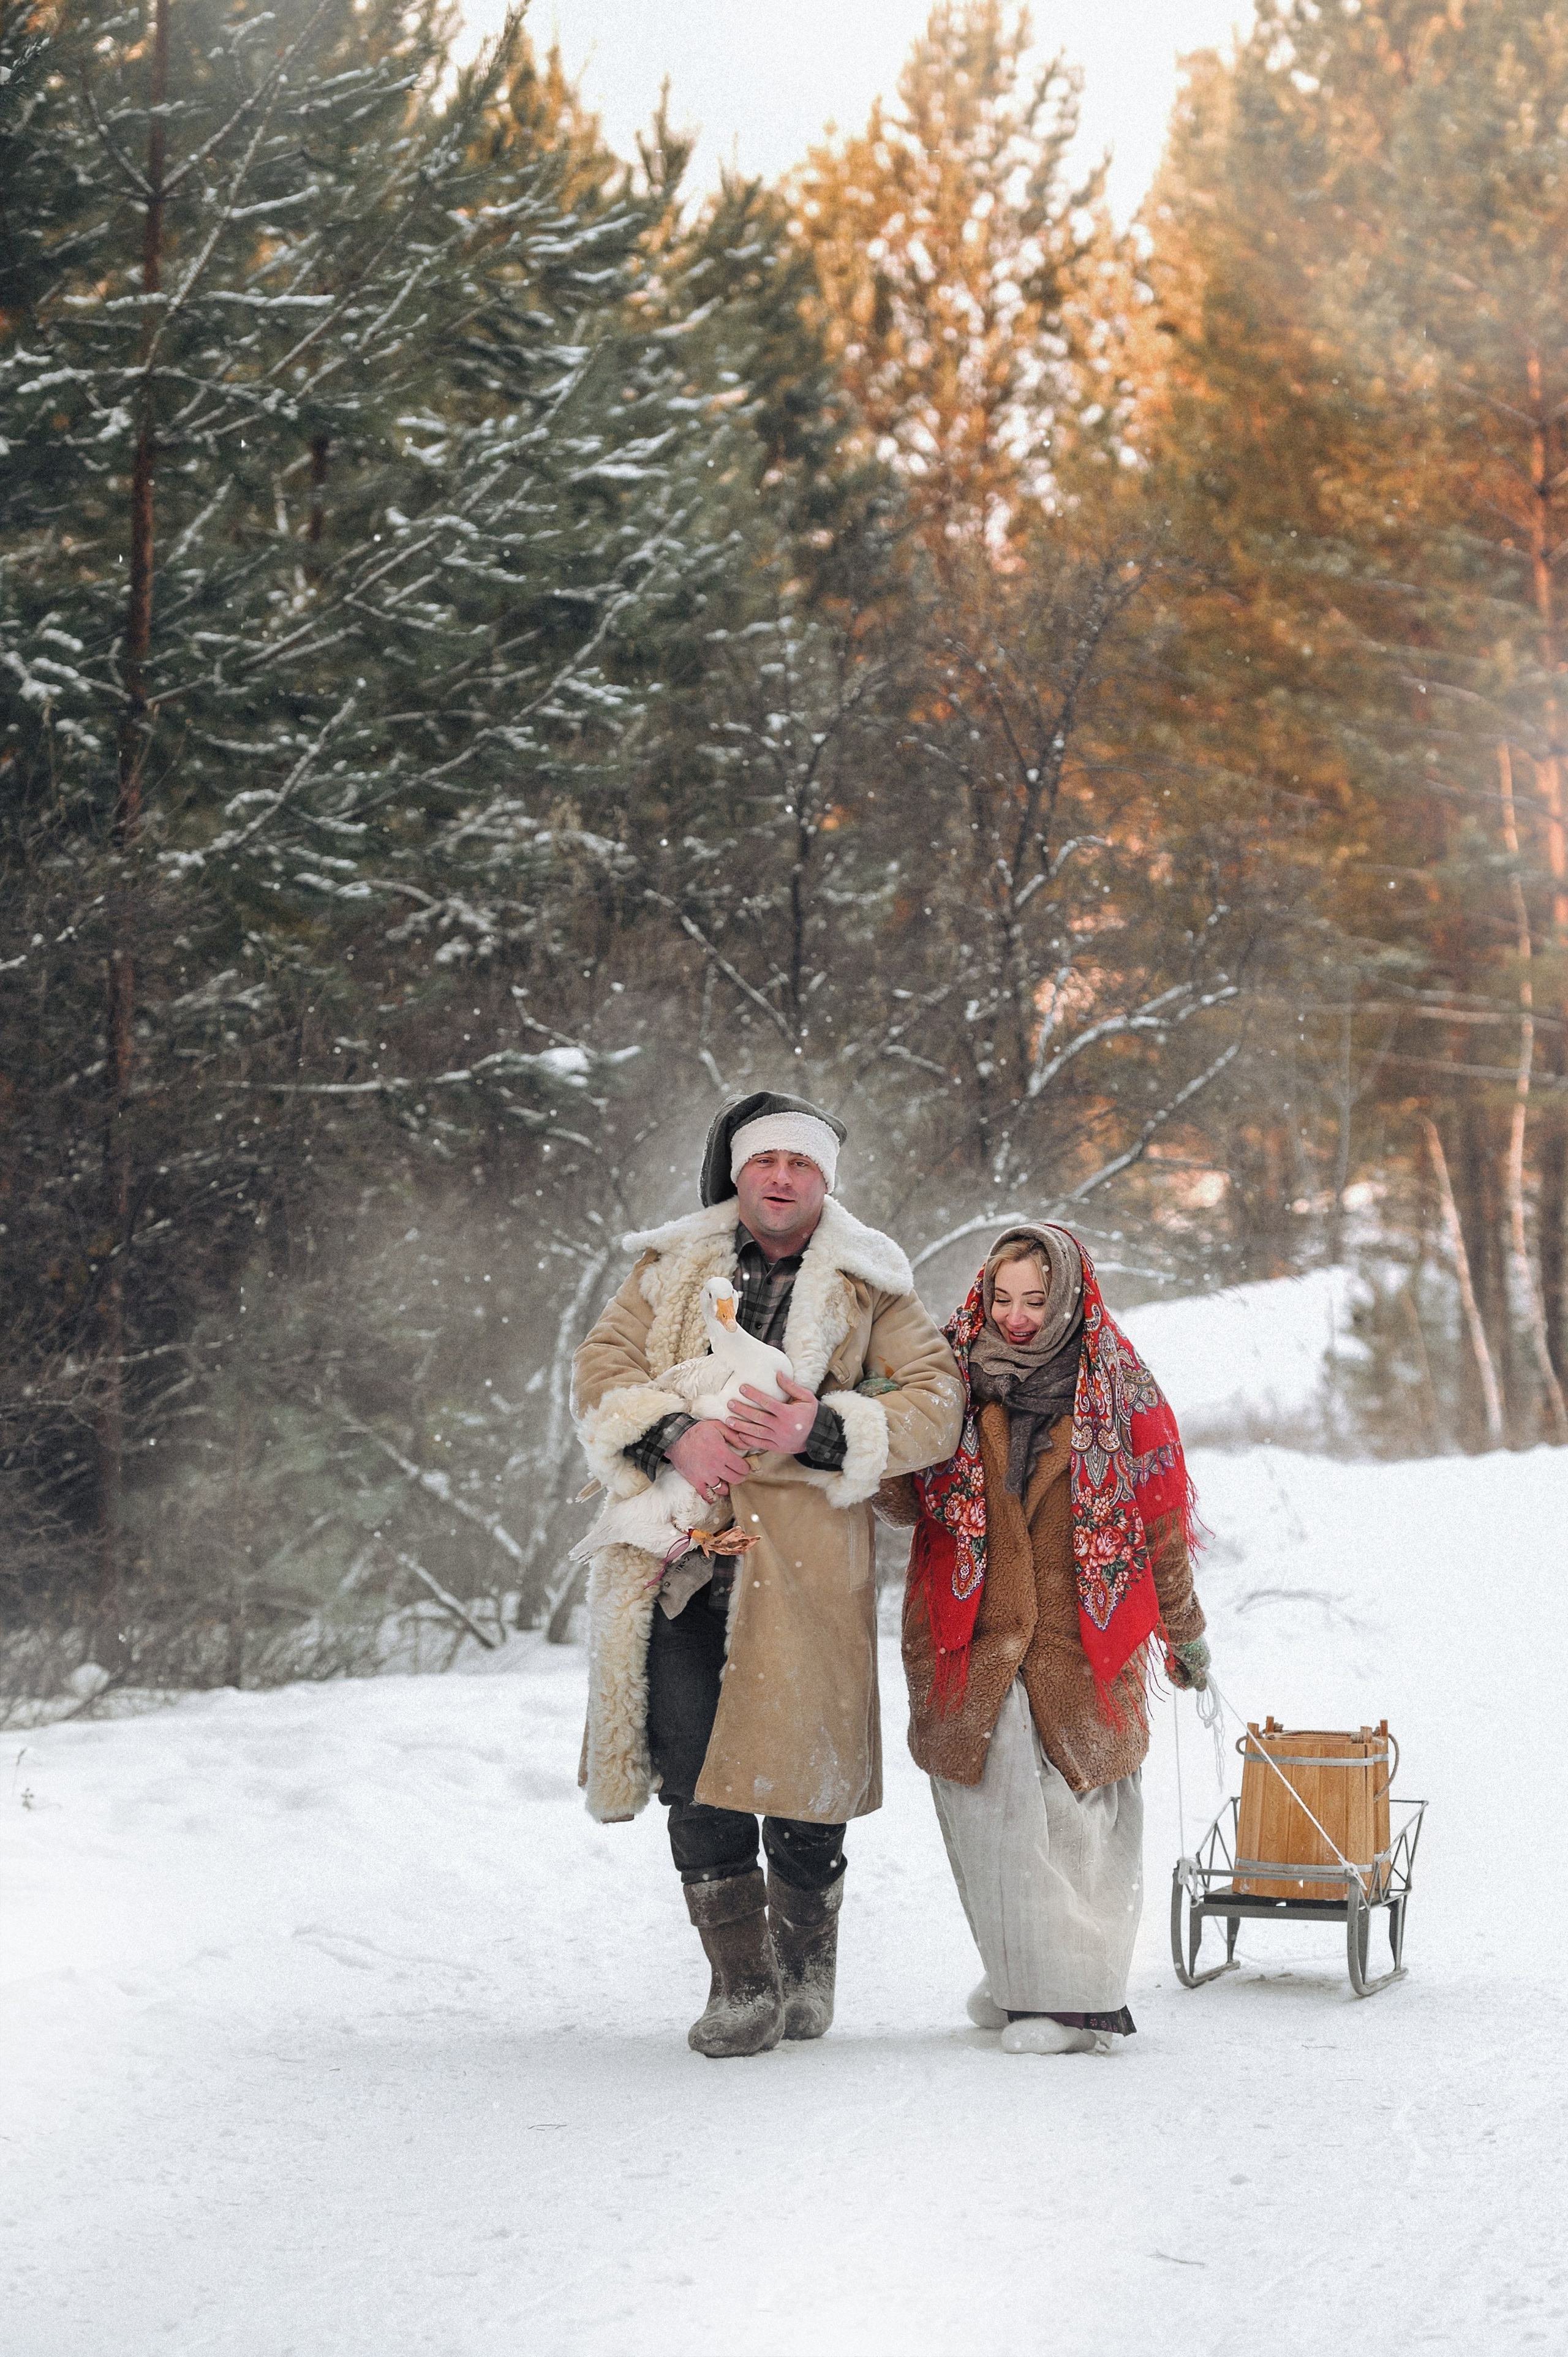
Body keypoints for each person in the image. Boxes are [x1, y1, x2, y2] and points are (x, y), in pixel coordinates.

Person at [571, 1093, 963, 2059]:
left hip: (806, 1561)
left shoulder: (873, 1284)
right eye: (765, 1162)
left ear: (825, 1180)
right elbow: (602, 1366)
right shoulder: (670, 1268)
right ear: (738, 1173)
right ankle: (740, 1985)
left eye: (801, 1164)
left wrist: (818, 1427)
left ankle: (804, 1965)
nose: (781, 1178)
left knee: (804, 1773)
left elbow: (937, 1402)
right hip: (681, 1553)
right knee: (691, 1765)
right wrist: (675, 1432)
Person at [880, 1223, 1209, 2056]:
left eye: (1035, 1299)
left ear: (1068, 1297)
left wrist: (1186, 1632)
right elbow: (905, 1506)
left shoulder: (1120, 1390)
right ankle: (1023, 1975)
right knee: (990, 1818)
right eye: (1002, 1299)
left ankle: (1074, 2003)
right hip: (973, 1634)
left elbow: (1162, 1526)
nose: (1017, 1318)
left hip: (1079, 1642)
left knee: (1073, 1823)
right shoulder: (948, 1379)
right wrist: (880, 1432)